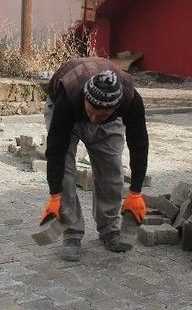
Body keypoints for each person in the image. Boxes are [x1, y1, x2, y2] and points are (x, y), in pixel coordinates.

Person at [39, 57, 149, 262]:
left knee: (111, 169)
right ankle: (71, 233)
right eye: (91, 112)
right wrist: (55, 194)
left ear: (116, 108)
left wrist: (135, 192)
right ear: (85, 100)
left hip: (108, 116)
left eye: (102, 115)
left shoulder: (130, 99)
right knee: (65, 175)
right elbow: (56, 152)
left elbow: (139, 145)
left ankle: (109, 230)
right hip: (65, 112)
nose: (94, 120)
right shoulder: (69, 94)